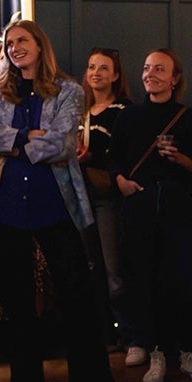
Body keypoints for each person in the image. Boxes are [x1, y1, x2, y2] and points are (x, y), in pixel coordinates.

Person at [0, 20, 128, 382]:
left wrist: (12, 144)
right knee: (17, 296)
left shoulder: (69, 90)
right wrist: (25, 137)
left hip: (55, 202)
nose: (14, 47)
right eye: (9, 43)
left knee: (78, 294)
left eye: (22, 40)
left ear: (40, 45)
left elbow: (61, 144)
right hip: (9, 203)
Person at [113, 49, 192, 382]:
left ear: (175, 79)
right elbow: (113, 161)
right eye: (147, 68)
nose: (150, 74)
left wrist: (181, 160)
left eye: (160, 69)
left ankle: (186, 352)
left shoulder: (189, 119)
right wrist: (122, 183)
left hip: (176, 210)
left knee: (182, 279)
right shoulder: (129, 117)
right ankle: (156, 353)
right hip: (139, 210)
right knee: (145, 280)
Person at [75, 47, 132, 349]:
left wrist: (92, 156)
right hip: (80, 194)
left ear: (116, 75)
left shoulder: (123, 110)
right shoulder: (79, 110)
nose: (95, 73)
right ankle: (102, 332)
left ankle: (128, 332)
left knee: (114, 267)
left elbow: (124, 153)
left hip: (107, 195)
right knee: (90, 266)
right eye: (91, 67)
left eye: (103, 68)